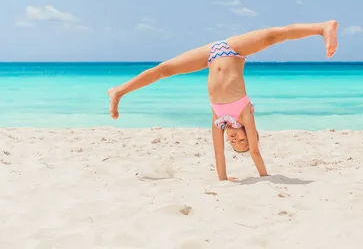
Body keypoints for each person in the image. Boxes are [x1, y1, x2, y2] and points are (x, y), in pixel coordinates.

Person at [108, 20, 338, 181]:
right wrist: (265, 177)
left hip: (209, 55)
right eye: (242, 141)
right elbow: (255, 152)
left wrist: (223, 179)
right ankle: (322, 28)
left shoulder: (218, 119)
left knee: (165, 69)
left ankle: (119, 91)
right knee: (273, 36)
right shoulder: (245, 112)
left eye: (234, 144)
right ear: (248, 133)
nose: (235, 140)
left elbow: (218, 153)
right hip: (234, 48)